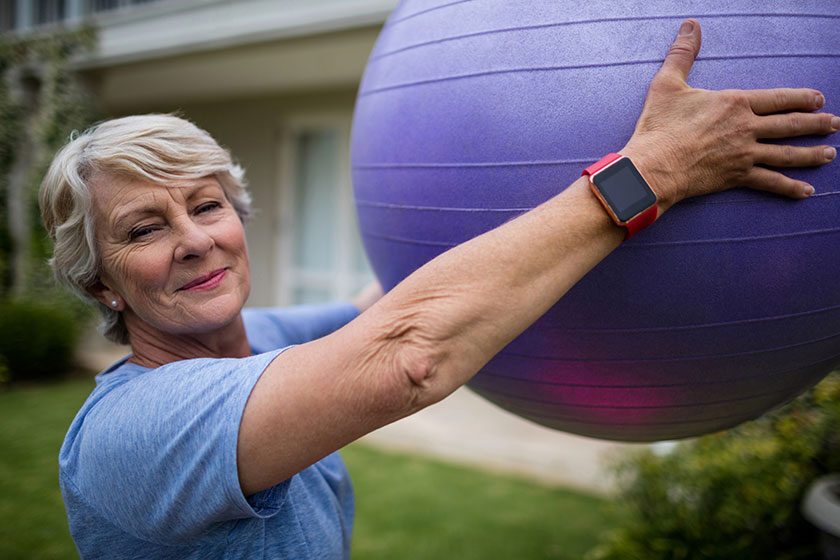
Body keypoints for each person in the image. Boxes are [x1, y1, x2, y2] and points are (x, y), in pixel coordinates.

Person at [40, 19, 836, 559]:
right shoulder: (131, 435)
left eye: (207, 205)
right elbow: (408, 352)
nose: (193, 239)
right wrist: (652, 173)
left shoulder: (267, 343)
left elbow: (386, 300)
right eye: (143, 229)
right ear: (100, 284)